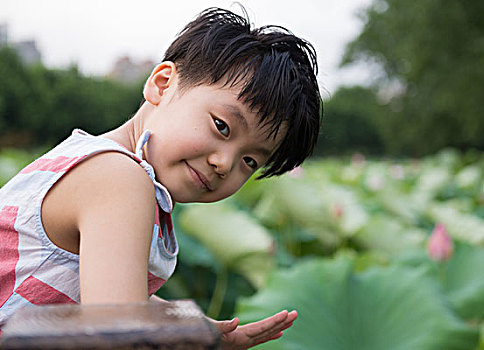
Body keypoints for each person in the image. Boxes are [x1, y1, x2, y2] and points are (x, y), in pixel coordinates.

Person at [0, 7, 321, 348]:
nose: (224, 164)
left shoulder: (102, 162)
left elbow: (98, 292)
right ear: (162, 84)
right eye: (222, 126)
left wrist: (193, 329)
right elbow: (119, 337)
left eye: (250, 160)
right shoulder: (118, 177)